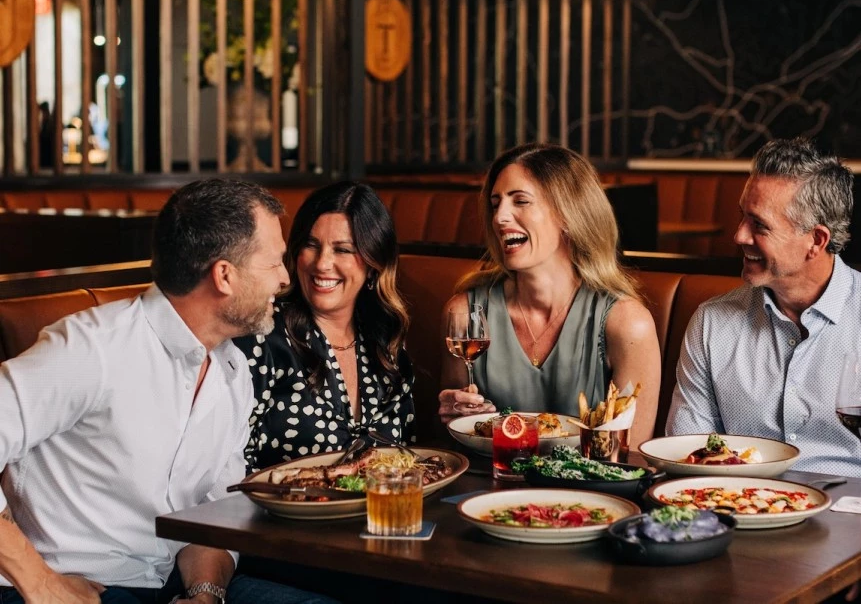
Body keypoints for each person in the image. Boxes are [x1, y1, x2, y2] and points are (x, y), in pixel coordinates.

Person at [0, 179, 336, 604]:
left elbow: (213, 514)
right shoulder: (93, 348)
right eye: (274, 263)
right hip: (77, 584)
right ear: (225, 275)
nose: (286, 278)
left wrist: (206, 594)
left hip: (166, 583)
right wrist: (40, 582)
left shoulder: (232, 370)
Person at [437, 143, 661, 451]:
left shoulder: (626, 323)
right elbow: (457, 431)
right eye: (495, 203)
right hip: (488, 486)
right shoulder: (467, 313)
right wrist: (454, 411)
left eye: (521, 201)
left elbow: (628, 457)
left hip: (587, 494)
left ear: (569, 214)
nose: (500, 217)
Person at [667, 137, 861, 478]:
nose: (739, 236)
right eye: (742, 216)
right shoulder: (712, 322)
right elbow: (686, 455)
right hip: (739, 510)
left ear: (816, 240)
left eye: (759, 224)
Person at [235, 181, 414, 470]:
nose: (322, 263)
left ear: (373, 263)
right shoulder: (263, 334)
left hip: (378, 511)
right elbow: (231, 462)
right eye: (311, 245)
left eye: (343, 250)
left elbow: (407, 456)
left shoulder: (385, 337)